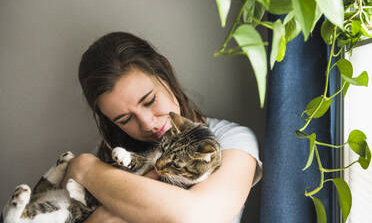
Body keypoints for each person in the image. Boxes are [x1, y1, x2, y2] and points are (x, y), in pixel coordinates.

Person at [63, 32, 263, 223]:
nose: (148, 124)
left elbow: (199, 217)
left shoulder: (231, 139)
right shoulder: (108, 158)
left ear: (163, 71)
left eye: (149, 101)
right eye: (125, 120)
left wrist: (85, 169)